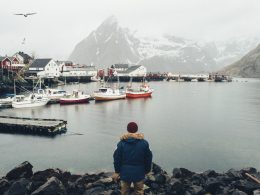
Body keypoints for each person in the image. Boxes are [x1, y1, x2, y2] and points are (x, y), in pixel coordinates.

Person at [113, 122, 153, 195]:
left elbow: (116, 158)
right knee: (139, 191)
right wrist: (147, 170)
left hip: (125, 173)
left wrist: (117, 171)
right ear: (137, 130)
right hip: (139, 173)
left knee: (124, 192)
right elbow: (148, 158)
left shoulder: (121, 143)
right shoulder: (144, 143)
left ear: (127, 129)